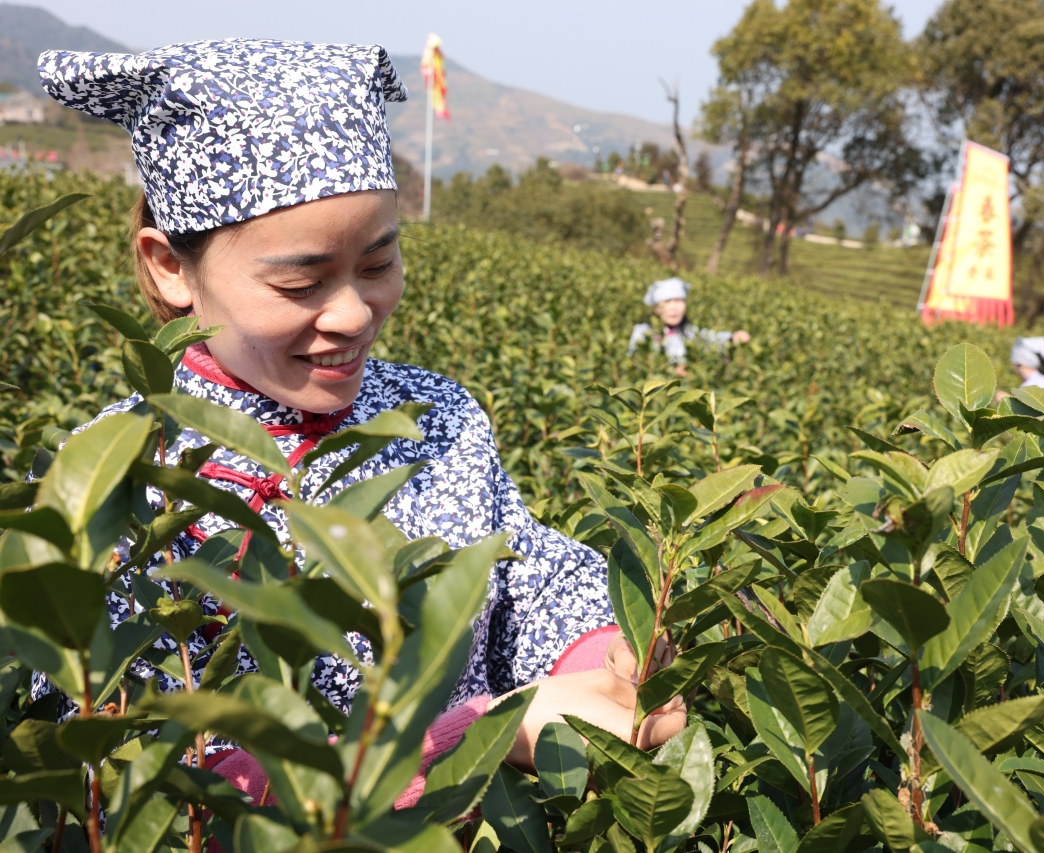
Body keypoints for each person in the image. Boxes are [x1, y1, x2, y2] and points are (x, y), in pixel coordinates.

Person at [35, 39, 683, 802]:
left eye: (377, 265)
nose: (352, 312)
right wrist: (478, 731)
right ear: (171, 268)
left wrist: (613, 655)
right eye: (302, 281)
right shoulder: (111, 482)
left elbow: (524, 579)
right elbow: (135, 779)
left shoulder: (436, 418)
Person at [627, 277, 750, 377]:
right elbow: (633, 363)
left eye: (679, 301)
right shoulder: (643, 332)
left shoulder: (690, 332)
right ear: (656, 308)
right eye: (667, 302)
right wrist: (670, 370)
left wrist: (733, 338)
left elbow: (712, 338)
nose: (674, 307)